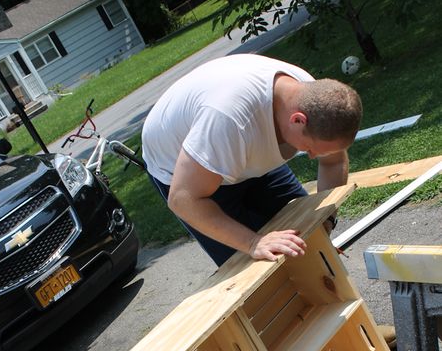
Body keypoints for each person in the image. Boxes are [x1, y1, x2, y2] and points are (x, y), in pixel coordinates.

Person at [142, 53, 362, 267]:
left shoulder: (317, 101)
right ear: (297, 120)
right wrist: (253, 242)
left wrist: (326, 217)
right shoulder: (229, 121)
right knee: (259, 268)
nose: (312, 156)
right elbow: (183, 199)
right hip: (192, 178)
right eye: (311, 149)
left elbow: (333, 162)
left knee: (311, 243)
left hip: (242, 147)